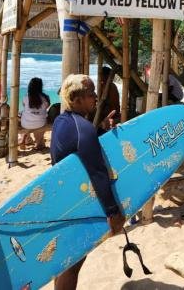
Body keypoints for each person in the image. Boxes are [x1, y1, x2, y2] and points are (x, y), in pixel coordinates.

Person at [51, 74, 125, 290]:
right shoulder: (83, 129)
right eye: (91, 94)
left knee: (66, 261)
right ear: (76, 99)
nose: (96, 97)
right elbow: (97, 172)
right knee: (74, 263)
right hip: (78, 204)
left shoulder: (62, 122)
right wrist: (113, 211)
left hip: (63, 198)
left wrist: (100, 129)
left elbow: (78, 146)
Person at [19, 77, 50, 150]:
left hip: (26, 124)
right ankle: (39, 143)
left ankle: (26, 139)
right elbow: (47, 106)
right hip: (40, 123)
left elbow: (24, 106)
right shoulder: (45, 97)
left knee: (22, 115)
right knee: (43, 118)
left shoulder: (26, 97)